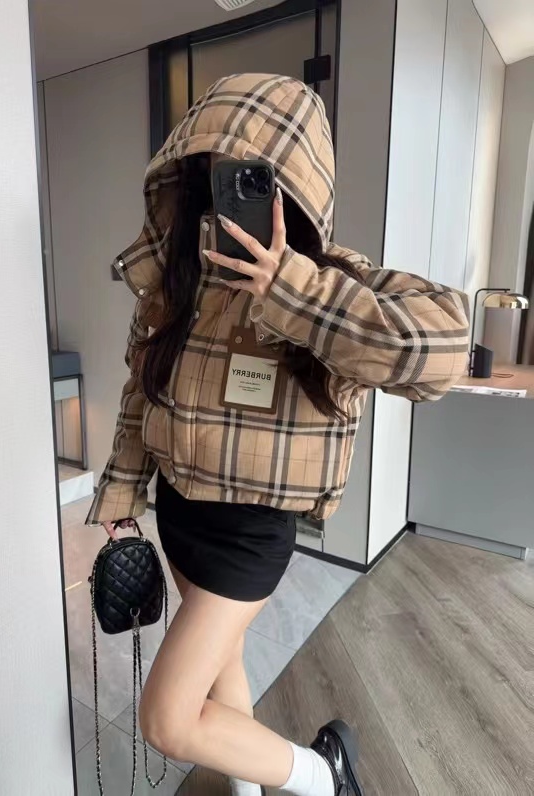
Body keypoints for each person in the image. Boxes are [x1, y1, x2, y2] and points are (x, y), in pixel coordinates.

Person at [86, 73, 469, 796]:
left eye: (254, 178)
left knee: (168, 718)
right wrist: (122, 491)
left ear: (295, 188)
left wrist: (290, 287)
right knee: (221, 676)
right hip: (180, 511)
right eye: (211, 170)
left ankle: (322, 774)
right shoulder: (179, 279)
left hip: (250, 533)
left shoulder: (334, 280)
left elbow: (441, 352)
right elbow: (141, 389)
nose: (227, 190)